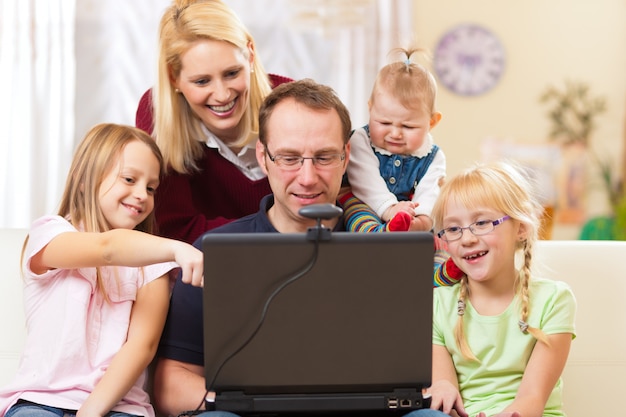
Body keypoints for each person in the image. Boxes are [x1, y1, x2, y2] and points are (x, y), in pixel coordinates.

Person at [153, 79, 445, 417]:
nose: (307, 178)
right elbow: (169, 382)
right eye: (290, 158)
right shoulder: (210, 254)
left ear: (346, 156)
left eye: (323, 157)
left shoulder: (397, 249)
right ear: (263, 157)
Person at [0, 124, 205, 417]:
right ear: (85, 180)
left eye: (150, 188)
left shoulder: (155, 263)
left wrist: (91, 412)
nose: (142, 195)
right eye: (129, 179)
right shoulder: (50, 235)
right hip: (40, 401)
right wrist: (176, 247)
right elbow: (107, 248)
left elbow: (141, 346)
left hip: (121, 407)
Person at [409, 161, 577, 417]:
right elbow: (445, 391)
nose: (467, 238)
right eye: (453, 229)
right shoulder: (436, 304)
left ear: (520, 227)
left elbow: (532, 399)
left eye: (482, 223)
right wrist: (441, 391)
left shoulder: (553, 299)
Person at [135, 0, 292, 244]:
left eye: (231, 73)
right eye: (201, 81)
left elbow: (321, 211)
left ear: (250, 56)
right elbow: (172, 231)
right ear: (173, 77)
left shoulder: (293, 103)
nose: (222, 95)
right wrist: (274, 227)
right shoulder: (157, 113)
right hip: (200, 272)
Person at [342, 47, 445, 233]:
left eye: (408, 127)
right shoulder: (361, 140)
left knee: (444, 228)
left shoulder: (433, 155)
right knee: (356, 211)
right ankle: (380, 235)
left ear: (432, 122)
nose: (395, 133)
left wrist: (422, 219)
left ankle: (440, 261)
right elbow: (365, 181)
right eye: (384, 122)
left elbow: (430, 192)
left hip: (409, 213)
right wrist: (390, 208)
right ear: (370, 109)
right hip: (367, 202)